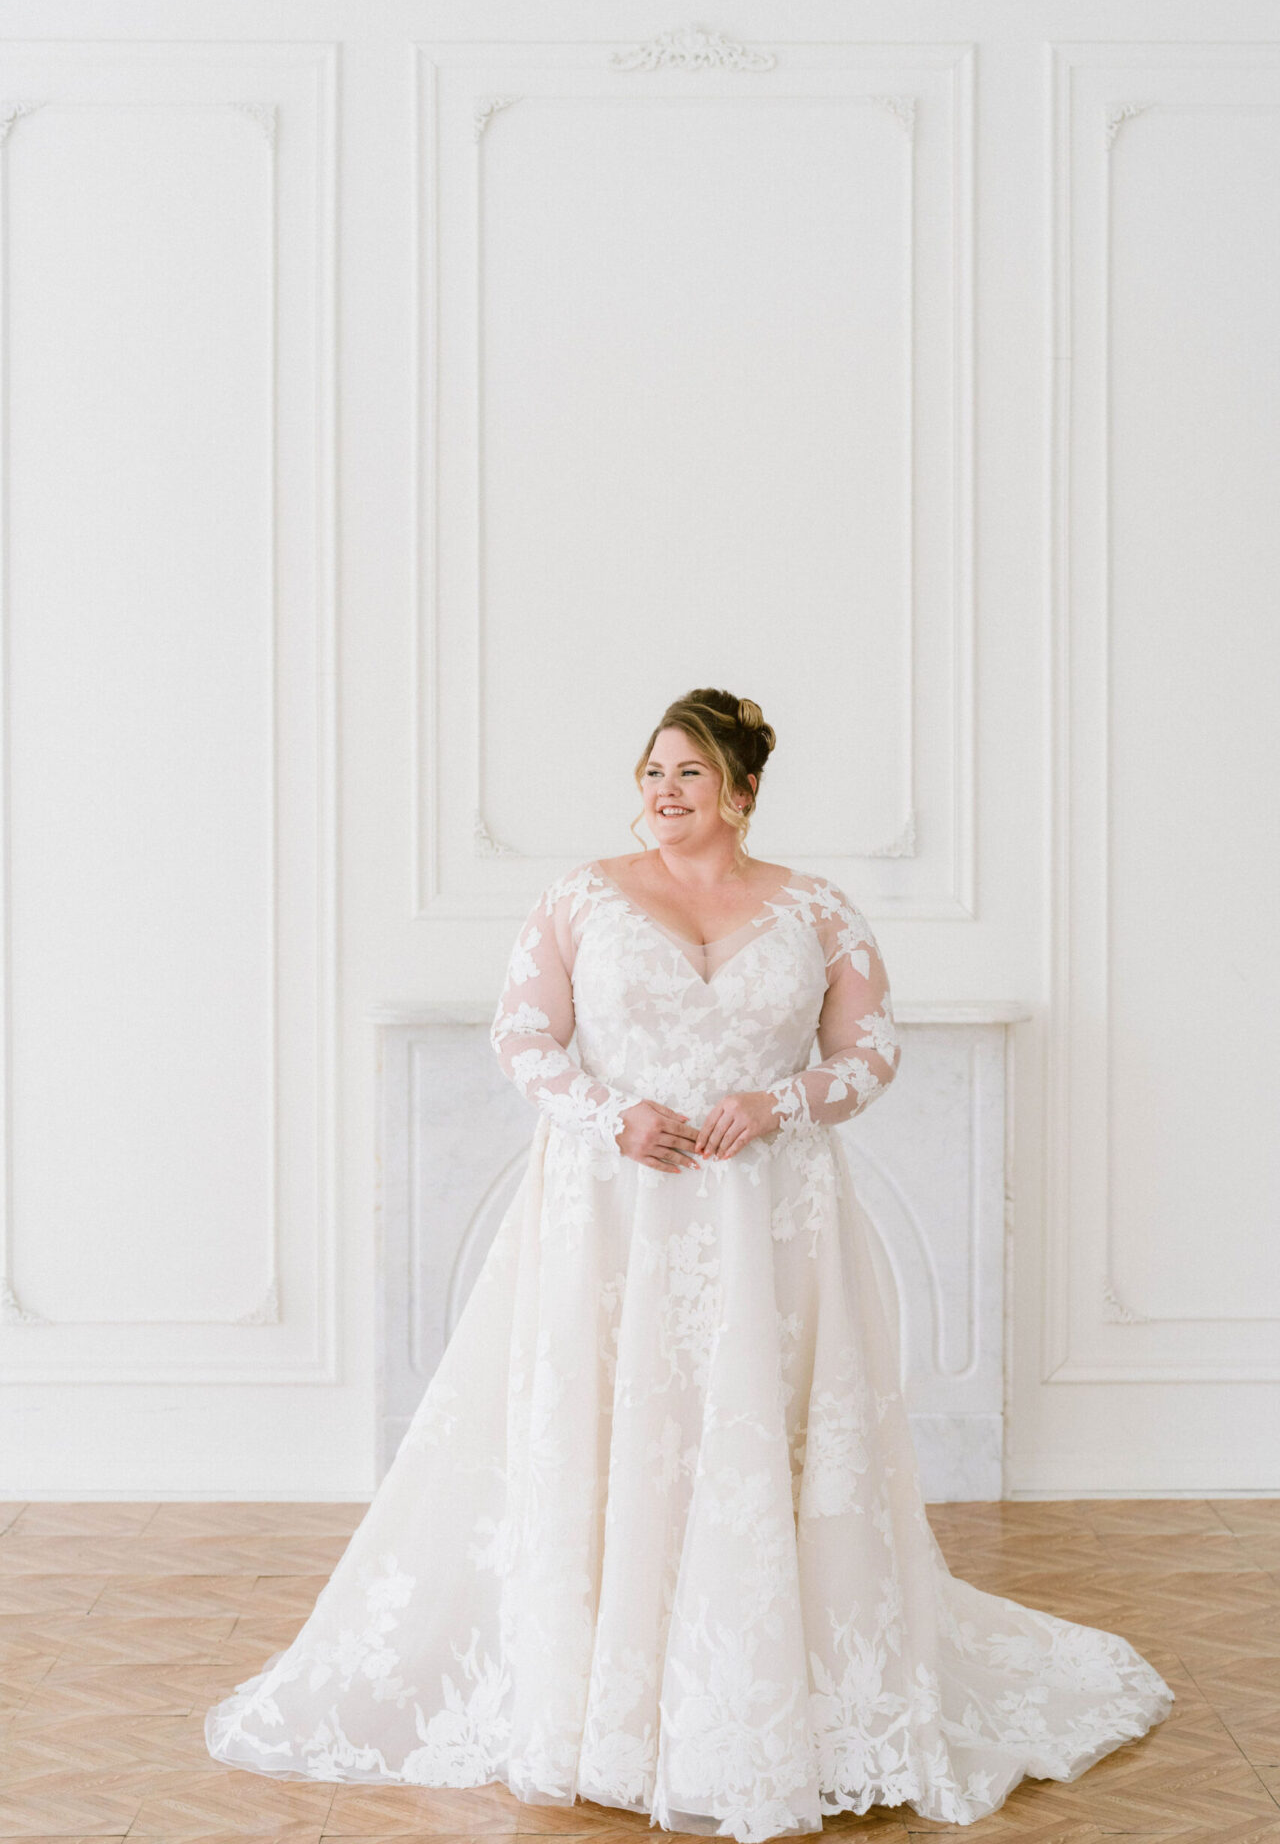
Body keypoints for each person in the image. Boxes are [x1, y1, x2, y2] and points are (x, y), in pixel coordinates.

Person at [204, 686, 1173, 1837]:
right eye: (652, 773)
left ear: (743, 793)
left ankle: (757, 1698)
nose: (663, 794)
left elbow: (871, 1050)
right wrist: (607, 1114)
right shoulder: (579, 899)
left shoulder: (816, 910)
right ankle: (600, 1701)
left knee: (757, 1431)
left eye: (690, 776)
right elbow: (520, 1035)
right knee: (617, 1426)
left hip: (769, 1221)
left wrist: (781, 1101)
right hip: (614, 1213)